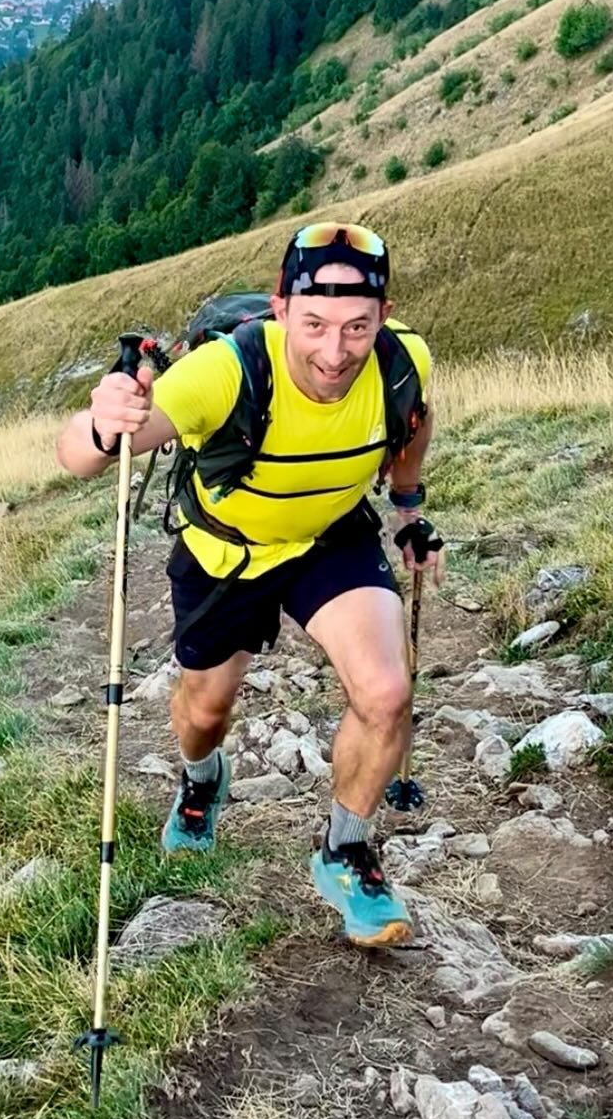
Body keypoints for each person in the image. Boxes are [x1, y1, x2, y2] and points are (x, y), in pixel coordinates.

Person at [56, 221, 442, 947]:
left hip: (329, 538)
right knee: (203, 713)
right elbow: (82, 458)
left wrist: (409, 505)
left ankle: (345, 849)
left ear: (383, 319)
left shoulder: (402, 363)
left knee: (387, 693)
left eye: (358, 326)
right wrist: (102, 423)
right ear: (281, 308)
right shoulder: (225, 372)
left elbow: (414, 421)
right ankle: (203, 781)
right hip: (224, 552)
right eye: (317, 324)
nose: (336, 351)